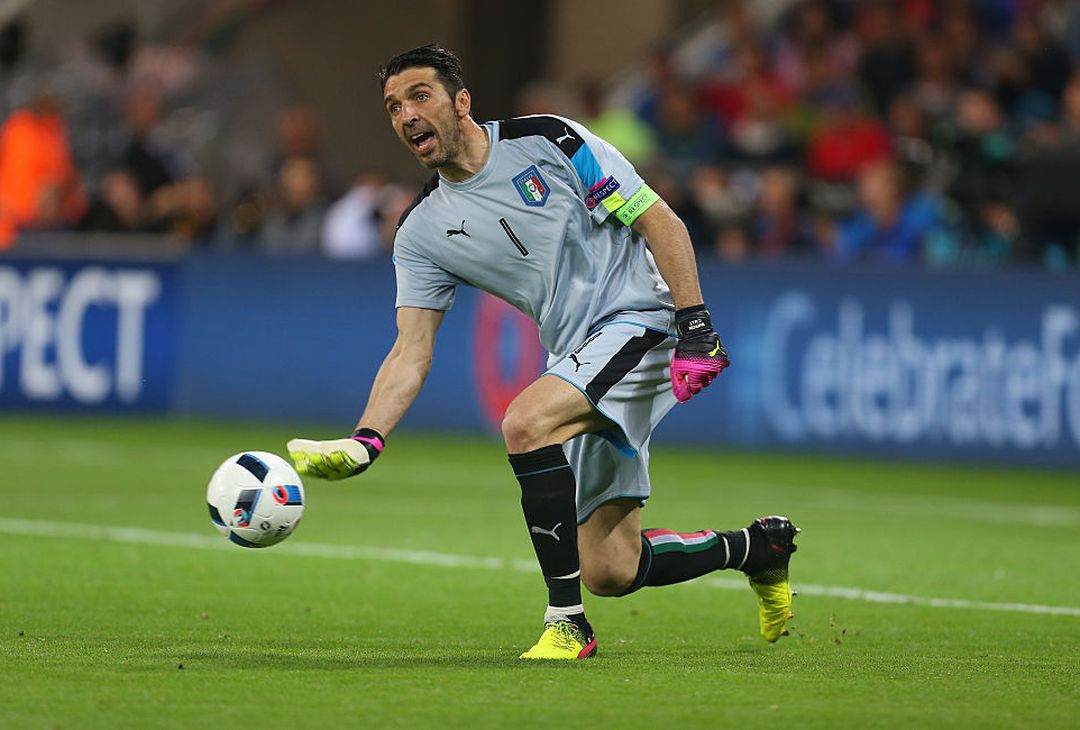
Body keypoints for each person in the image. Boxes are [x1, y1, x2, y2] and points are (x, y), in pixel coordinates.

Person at [286, 45, 798, 660]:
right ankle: (757, 548)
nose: (407, 115)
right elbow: (410, 350)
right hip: (577, 355)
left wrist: (696, 326)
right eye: (394, 107)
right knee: (610, 567)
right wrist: (366, 438)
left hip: (643, 320)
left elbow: (658, 220)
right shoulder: (421, 231)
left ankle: (567, 625)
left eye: (420, 96)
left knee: (526, 423)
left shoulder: (550, 141)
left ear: (461, 102)